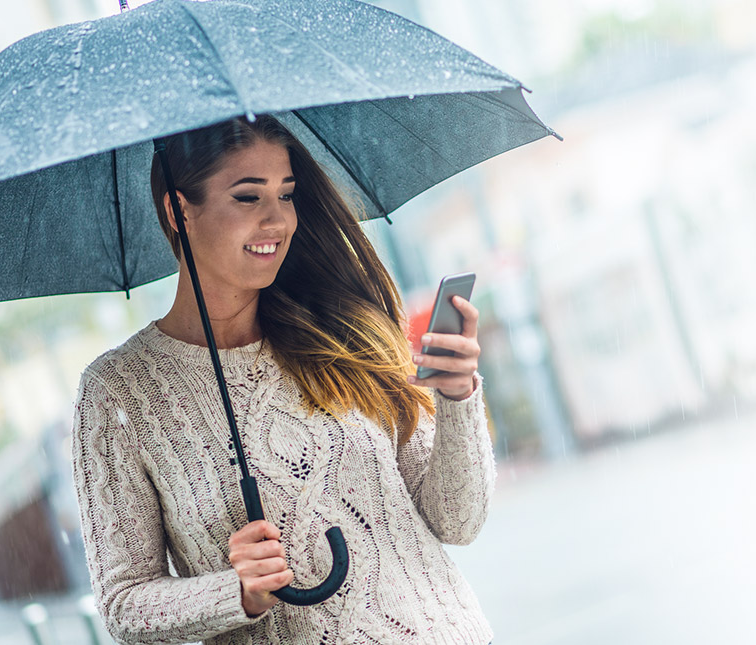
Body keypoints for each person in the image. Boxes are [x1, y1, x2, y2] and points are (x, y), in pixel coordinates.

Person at [72, 115, 495, 645]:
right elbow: (123, 605)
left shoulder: (342, 331)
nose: (278, 220)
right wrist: (235, 593)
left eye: (287, 194)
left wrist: (458, 397)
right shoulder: (118, 390)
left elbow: (456, 522)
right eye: (248, 198)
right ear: (179, 210)